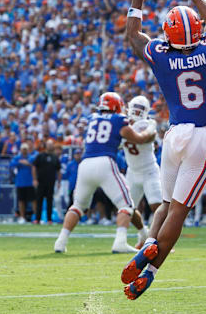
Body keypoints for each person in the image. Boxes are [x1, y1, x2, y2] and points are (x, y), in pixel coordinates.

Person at [121, 0, 206, 299]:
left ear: (168, 34)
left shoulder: (161, 55)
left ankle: (149, 243)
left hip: (175, 132)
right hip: (203, 134)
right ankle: (150, 269)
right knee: (180, 210)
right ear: (196, 31)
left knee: (165, 204)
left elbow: (133, 35)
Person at [54, 92, 154, 253]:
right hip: (105, 163)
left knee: (78, 206)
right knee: (127, 205)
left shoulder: (92, 118)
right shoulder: (119, 119)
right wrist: (150, 130)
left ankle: (60, 242)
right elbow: (139, 139)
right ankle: (120, 242)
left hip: (85, 164)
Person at [122, 96, 163, 219]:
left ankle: (160, 235)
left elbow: (143, 138)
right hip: (133, 171)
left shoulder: (144, 124)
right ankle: (142, 232)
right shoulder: (125, 123)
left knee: (156, 205)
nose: (136, 112)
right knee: (127, 208)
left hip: (148, 170)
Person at [34, 140, 62, 225]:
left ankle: (49, 219)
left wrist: (59, 181)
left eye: (51, 145)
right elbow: (34, 167)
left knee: (50, 200)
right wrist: (34, 179)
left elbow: (58, 170)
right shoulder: (40, 155)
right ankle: (37, 219)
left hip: (51, 182)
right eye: (48, 144)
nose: (50, 146)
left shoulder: (55, 157)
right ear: (46, 145)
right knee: (39, 200)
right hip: (41, 181)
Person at [12, 143, 36, 224]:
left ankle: (36, 216)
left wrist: (27, 163)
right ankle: (22, 217)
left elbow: (34, 165)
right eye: (23, 149)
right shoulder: (17, 158)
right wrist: (21, 162)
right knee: (21, 201)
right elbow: (11, 164)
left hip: (30, 182)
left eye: (26, 149)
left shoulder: (31, 157)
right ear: (21, 150)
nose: (24, 151)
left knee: (33, 200)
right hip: (20, 182)